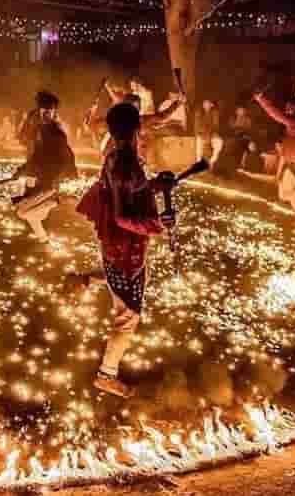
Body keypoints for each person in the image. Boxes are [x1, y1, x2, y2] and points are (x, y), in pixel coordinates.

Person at [76, 102, 176, 398]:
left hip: (118, 247)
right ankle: (106, 374)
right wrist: (156, 223)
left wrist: (155, 185)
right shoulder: (127, 164)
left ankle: (90, 279)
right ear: (137, 129)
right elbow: (122, 216)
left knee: (124, 293)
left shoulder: (116, 157)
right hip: (124, 250)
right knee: (128, 317)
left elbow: (133, 191)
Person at [12, 91, 78, 243]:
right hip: (34, 173)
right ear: (39, 109)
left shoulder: (56, 132)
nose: (46, 113)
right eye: (43, 110)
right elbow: (31, 149)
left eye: (49, 110)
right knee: (28, 209)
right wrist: (23, 170)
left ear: (54, 111)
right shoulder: (37, 124)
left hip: (46, 179)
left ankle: (56, 200)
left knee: (24, 210)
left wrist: (55, 180)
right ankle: (43, 239)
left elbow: (63, 158)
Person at [253, 93, 295, 216]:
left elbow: (274, 113)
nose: (286, 111)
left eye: (288, 108)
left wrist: (261, 99)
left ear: (293, 110)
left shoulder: (293, 123)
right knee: (290, 193)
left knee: (284, 195)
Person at [195, 100, 224, 170]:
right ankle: (198, 163)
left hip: (211, 134)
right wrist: (202, 134)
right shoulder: (198, 113)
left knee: (219, 142)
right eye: (204, 103)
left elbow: (215, 126)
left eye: (208, 103)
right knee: (199, 143)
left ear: (211, 105)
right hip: (202, 134)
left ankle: (212, 161)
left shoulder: (215, 113)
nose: (206, 105)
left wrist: (210, 134)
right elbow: (197, 126)